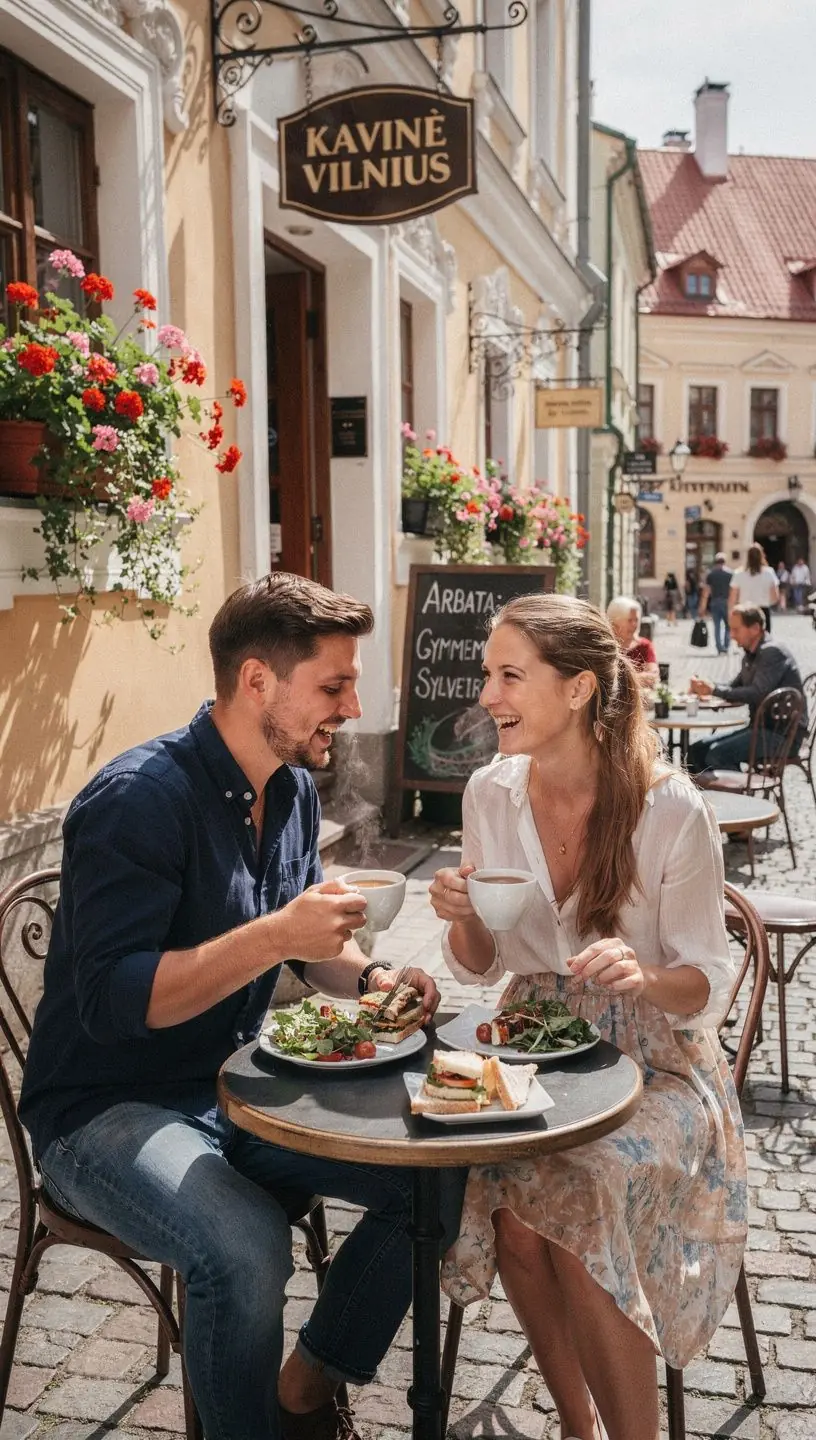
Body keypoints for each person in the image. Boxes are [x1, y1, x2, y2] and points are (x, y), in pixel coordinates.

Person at [19, 573, 463, 1440]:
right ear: (257, 680)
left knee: (435, 1179)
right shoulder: (137, 800)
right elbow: (115, 1003)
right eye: (333, 686)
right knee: (244, 1246)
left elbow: (311, 939)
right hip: (100, 1112)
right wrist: (272, 935)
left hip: (231, 1093)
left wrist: (373, 981)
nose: (352, 704)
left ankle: (304, 1390)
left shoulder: (292, 788)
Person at [429, 594, 746, 1440]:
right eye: (487, 674)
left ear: (575, 690)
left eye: (509, 676)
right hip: (531, 1045)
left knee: (581, 1196)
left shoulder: (669, 807)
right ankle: (579, 1424)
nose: (489, 695)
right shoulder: (488, 794)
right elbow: (480, 964)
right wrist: (457, 910)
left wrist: (644, 974)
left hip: (660, 1061)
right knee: (507, 1209)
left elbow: (708, 985)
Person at [687, 603, 808, 775]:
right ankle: (702, 799)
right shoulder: (750, 654)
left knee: (717, 754)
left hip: (782, 735)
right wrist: (706, 687)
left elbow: (757, 693)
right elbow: (733, 687)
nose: (732, 635)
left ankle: (740, 797)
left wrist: (713, 690)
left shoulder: (771, 652)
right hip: (760, 729)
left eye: (736, 629)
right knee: (697, 750)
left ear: (755, 628)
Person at [606, 595, 659, 690]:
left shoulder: (644, 645)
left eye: (636, 620)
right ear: (615, 622)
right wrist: (638, 678)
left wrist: (623, 680)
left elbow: (653, 676)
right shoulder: (606, 646)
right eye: (630, 620)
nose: (634, 624)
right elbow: (607, 680)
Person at [729, 543, 778, 634]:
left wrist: (731, 613)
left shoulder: (739, 573)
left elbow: (732, 598)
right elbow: (775, 597)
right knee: (763, 639)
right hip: (763, 610)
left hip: (744, 611)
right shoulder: (769, 572)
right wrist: (765, 600)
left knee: (745, 639)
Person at [700, 551, 733, 655]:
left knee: (717, 626)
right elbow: (733, 590)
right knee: (728, 625)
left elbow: (706, 591)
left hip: (715, 602)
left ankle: (719, 648)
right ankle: (726, 646)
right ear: (725, 561)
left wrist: (703, 607)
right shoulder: (730, 574)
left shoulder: (711, 574)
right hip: (727, 602)